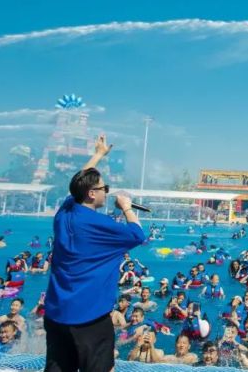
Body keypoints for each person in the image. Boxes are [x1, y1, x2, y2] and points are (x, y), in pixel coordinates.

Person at [44, 135, 146, 372]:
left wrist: (99, 154)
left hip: (57, 313)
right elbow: (138, 234)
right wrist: (127, 208)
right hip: (90, 318)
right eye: (104, 189)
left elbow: (77, 183)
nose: (106, 193)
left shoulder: (64, 212)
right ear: (91, 193)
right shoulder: (100, 224)